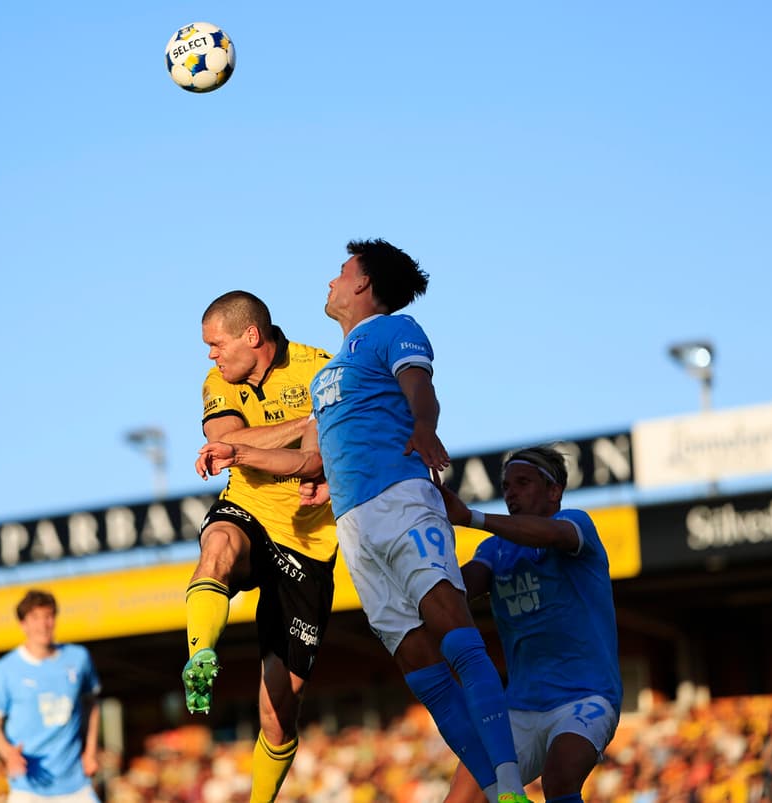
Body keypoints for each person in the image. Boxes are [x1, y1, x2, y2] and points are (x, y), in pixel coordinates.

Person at [198, 240, 528, 803]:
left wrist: (424, 425)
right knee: (419, 665)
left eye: (342, 271)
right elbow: (311, 459)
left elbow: (419, 387)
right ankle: (498, 793)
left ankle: (515, 786)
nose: (332, 279)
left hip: (400, 500)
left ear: (363, 285)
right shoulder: (335, 370)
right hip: (354, 528)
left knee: (453, 631)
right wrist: (240, 454)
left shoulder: (391, 329)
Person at [187, 290, 339, 803]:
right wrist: (304, 425)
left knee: (277, 712)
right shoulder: (218, 382)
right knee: (219, 545)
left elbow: (314, 463)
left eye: (216, 344)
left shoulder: (321, 369)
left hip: (308, 543)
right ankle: (200, 654)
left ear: (251, 336)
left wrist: (253, 445)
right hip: (249, 511)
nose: (211, 355)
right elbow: (224, 443)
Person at [438, 445, 622, 803]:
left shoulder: (576, 523)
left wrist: (472, 517)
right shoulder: (493, 551)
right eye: (506, 486)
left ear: (554, 491)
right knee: (461, 797)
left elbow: (553, 536)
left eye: (523, 483)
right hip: (519, 706)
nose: (511, 492)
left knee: (559, 779)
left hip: (585, 696)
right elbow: (459, 591)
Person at [0, 589, 102, 803]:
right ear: (23, 624)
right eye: (35, 618)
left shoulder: (79, 658)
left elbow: (91, 705)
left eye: (48, 616)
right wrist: (9, 754)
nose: (43, 624)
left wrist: (90, 752)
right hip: (28, 788)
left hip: (75, 785)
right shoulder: (3, 670)